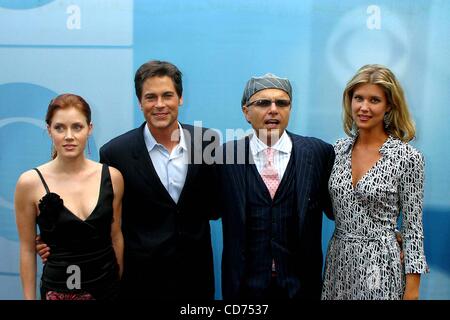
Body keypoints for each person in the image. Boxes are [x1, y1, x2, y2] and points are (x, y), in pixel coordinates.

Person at [38, 61, 219, 300]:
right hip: (141, 280)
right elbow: (104, 217)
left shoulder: (206, 141)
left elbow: (216, 206)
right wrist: (54, 240)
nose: (160, 105)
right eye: (150, 97)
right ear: (140, 102)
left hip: (196, 277)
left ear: (180, 98)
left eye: (167, 95)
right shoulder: (116, 153)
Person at [216, 73, 335, 300]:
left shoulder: (319, 153)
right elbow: (206, 209)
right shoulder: (225, 156)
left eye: (282, 103)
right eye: (262, 103)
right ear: (246, 111)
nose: (273, 109)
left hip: (301, 286)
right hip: (244, 288)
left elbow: (339, 208)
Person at [321, 64, 429, 300]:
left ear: (389, 105)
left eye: (374, 100)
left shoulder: (407, 158)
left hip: (380, 265)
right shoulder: (336, 151)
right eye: (358, 98)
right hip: (339, 261)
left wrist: (412, 290)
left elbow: (413, 229)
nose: (364, 107)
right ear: (349, 100)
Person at [15, 93, 124, 300]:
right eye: (59, 128)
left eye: (77, 127)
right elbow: (27, 250)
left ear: (89, 129)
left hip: (107, 289)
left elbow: (116, 236)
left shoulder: (112, 177)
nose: (68, 136)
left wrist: (117, 286)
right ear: (49, 131)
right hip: (56, 292)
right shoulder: (29, 183)